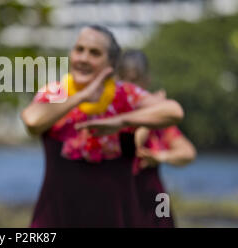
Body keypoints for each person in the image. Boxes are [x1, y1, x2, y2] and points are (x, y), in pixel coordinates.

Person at [21, 25, 184, 227]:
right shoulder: (56, 92)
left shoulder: (125, 95)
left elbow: (173, 111)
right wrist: (81, 96)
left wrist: (121, 121)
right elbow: (32, 121)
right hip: (56, 219)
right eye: (79, 49)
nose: (83, 58)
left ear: (112, 63)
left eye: (94, 53)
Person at [117, 49, 196, 227]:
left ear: (147, 80)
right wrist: (152, 115)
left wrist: (161, 156)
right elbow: (131, 146)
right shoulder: (113, 113)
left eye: (136, 81)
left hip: (154, 198)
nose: (132, 87)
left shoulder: (162, 121)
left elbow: (188, 153)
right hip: (122, 196)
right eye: (126, 80)